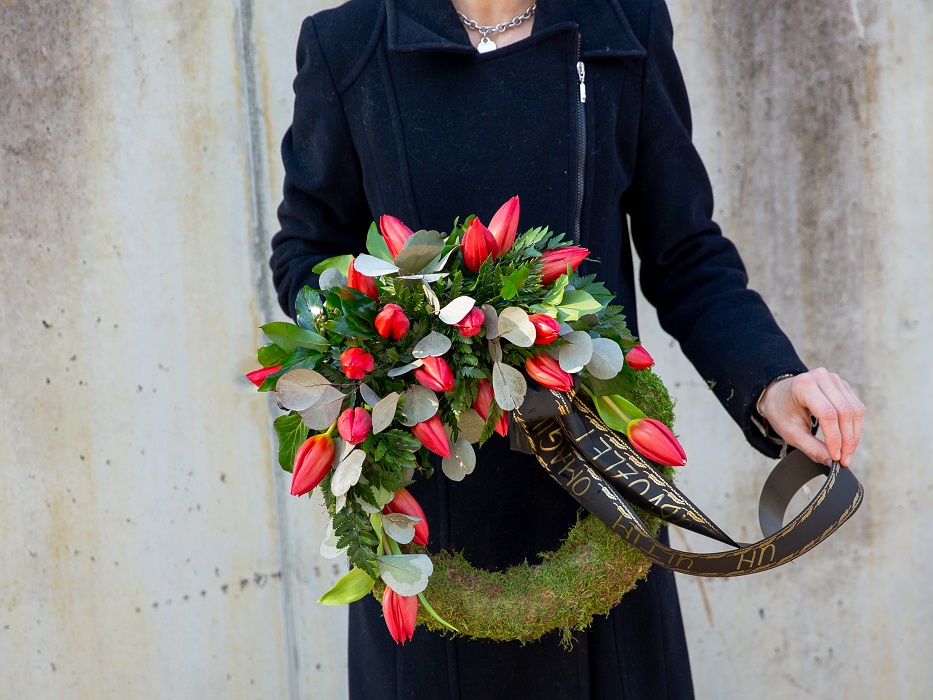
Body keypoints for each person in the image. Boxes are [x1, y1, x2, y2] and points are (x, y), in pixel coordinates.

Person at [270, 0, 866, 698]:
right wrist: (394, 319)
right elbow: (306, 255)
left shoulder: (623, 23)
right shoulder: (349, 43)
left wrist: (772, 381)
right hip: (429, 515)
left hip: (601, 503)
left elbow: (685, 256)